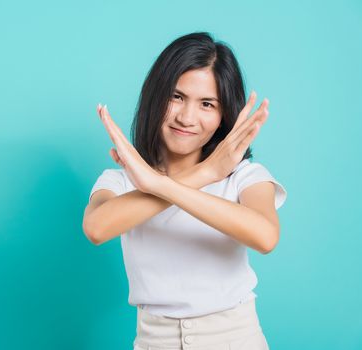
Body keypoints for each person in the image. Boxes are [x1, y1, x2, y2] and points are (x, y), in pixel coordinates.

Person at [82, 32, 287, 350]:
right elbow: (96, 228)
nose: (186, 117)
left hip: (236, 340)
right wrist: (203, 173)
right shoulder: (120, 181)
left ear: (223, 116)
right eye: (176, 96)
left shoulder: (244, 177)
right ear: (156, 96)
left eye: (207, 104)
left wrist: (160, 185)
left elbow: (265, 237)